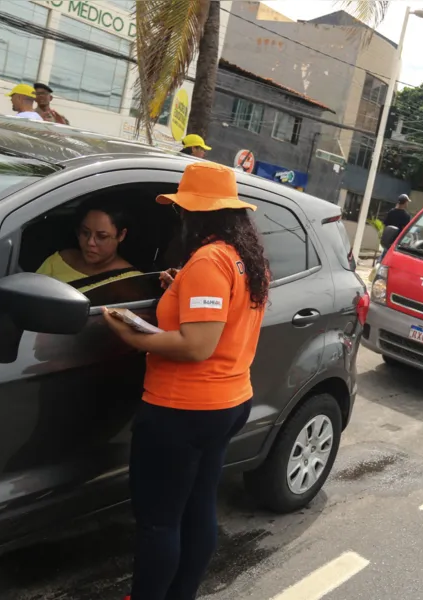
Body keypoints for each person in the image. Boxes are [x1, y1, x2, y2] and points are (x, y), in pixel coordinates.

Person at [102, 162, 269, 600]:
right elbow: (220, 314)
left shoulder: (208, 261)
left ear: (192, 213)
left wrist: (133, 335)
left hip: (183, 410)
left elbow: (197, 345)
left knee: (159, 521)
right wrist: (180, 289)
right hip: (228, 402)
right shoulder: (242, 259)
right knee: (196, 509)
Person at [36, 199, 140, 293]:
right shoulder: (60, 260)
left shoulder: (130, 282)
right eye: (85, 233)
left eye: (101, 236)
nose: (90, 242)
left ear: (121, 235)